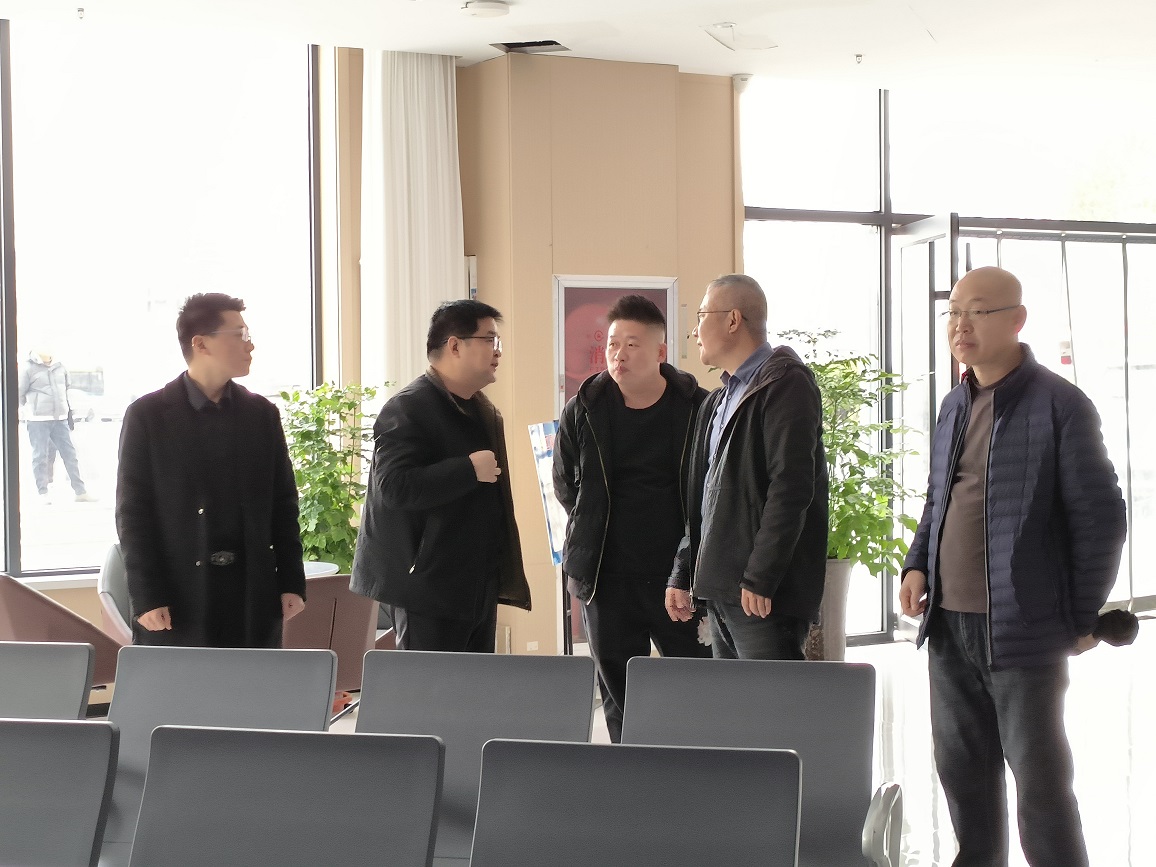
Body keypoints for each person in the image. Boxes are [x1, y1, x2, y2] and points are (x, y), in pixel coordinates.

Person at [899, 266, 1127, 867]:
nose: (960, 325)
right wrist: (917, 564)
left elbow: (1101, 517)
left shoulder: (1061, 405)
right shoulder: (954, 402)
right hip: (949, 625)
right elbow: (939, 499)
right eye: (953, 311)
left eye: (976, 311)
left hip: (1024, 629)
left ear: (1017, 319)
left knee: (1041, 787)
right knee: (962, 776)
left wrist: (1079, 616)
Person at [553, 294, 711, 742]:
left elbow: (710, 493)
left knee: (694, 689)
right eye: (612, 344)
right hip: (606, 578)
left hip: (679, 579)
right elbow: (566, 485)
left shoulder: (697, 408)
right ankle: (629, 774)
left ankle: (694, 771)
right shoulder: (584, 408)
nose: (618, 354)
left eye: (632, 344)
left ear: (660, 351)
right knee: (619, 696)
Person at [115, 293, 306, 647]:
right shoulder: (148, 415)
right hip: (177, 595)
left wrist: (291, 581)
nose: (250, 345)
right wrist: (147, 595)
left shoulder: (261, 414)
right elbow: (133, 513)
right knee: (184, 682)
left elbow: (283, 503)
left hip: (252, 592)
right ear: (201, 344)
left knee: (254, 680)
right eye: (240, 335)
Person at [351, 299, 531, 651]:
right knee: (428, 684)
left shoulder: (482, 410)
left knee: (474, 683)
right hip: (426, 588)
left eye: (498, 342)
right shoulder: (408, 407)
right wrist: (467, 469)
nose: (498, 351)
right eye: (489, 340)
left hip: (475, 584)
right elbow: (395, 487)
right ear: (455, 346)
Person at [665, 274, 828, 660]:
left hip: (761, 594)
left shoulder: (786, 383)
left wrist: (761, 576)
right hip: (721, 588)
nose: (694, 331)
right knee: (734, 700)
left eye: (701, 315)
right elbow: (701, 502)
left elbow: (790, 488)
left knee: (771, 699)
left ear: (733, 320)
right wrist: (682, 571)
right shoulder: (718, 401)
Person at [18, 347, 96, 503]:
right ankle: (43, 492)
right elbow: (19, 393)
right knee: (40, 456)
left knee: (70, 454)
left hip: (60, 419)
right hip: (38, 420)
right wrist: (29, 409)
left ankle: (80, 492)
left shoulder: (60, 367)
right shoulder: (28, 368)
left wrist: (68, 412)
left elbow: (65, 389)